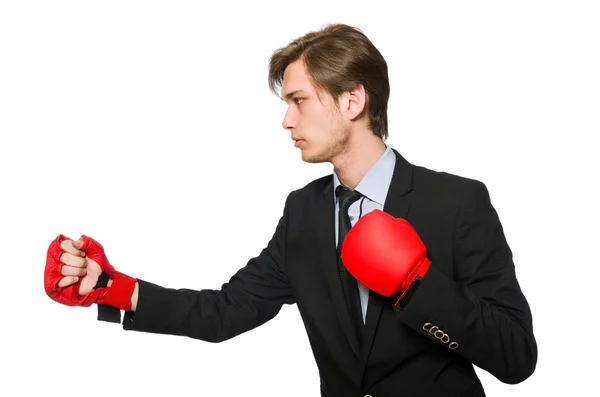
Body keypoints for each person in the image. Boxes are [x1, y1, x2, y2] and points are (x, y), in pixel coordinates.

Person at [44, 23, 537, 396]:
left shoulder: (457, 202)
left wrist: (417, 285)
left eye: (299, 100)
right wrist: (111, 288)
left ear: (352, 100)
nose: (286, 120)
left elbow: (517, 358)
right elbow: (225, 311)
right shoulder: (304, 211)